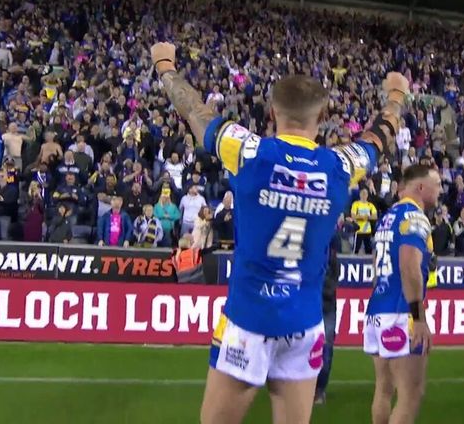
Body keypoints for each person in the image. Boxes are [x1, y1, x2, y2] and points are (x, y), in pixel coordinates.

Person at [149, 42, 409, 424]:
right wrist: (396, 95)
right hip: (303, 323)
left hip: (248, 320)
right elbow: (380, 137)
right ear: (323, 114)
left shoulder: (248, 150)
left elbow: (194, 111)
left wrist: (165, 67)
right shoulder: (340, 164)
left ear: (272, 112)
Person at [364, 164, 441, 424]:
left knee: (383, 389)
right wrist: (418, 317)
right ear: (421, 187)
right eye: (437, 184)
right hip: (401, 313)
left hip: (378, 309)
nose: (440, 190)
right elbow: (409, 266)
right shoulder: (416, 218)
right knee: (411, 394)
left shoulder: (387, 217)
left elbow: (376, 264)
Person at [314, 229, 342, 405]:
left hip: (326, 305)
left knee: (326, 350)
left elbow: (334, 277)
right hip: (310, 303)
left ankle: (319, 390)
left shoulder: (331, 257)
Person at [351, 188, 377, 254]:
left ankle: (369, 264)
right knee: (356, 250)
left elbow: (375, 216)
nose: (364, 195)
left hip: (367, 231)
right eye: (362, 193)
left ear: (367, 195)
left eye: (365, 193)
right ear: (360, 194)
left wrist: (366, 217)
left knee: (369, 250)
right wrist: (363, 217)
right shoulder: (356, 204)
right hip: (358, 230)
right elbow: (353, 216)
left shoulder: (370, 205)